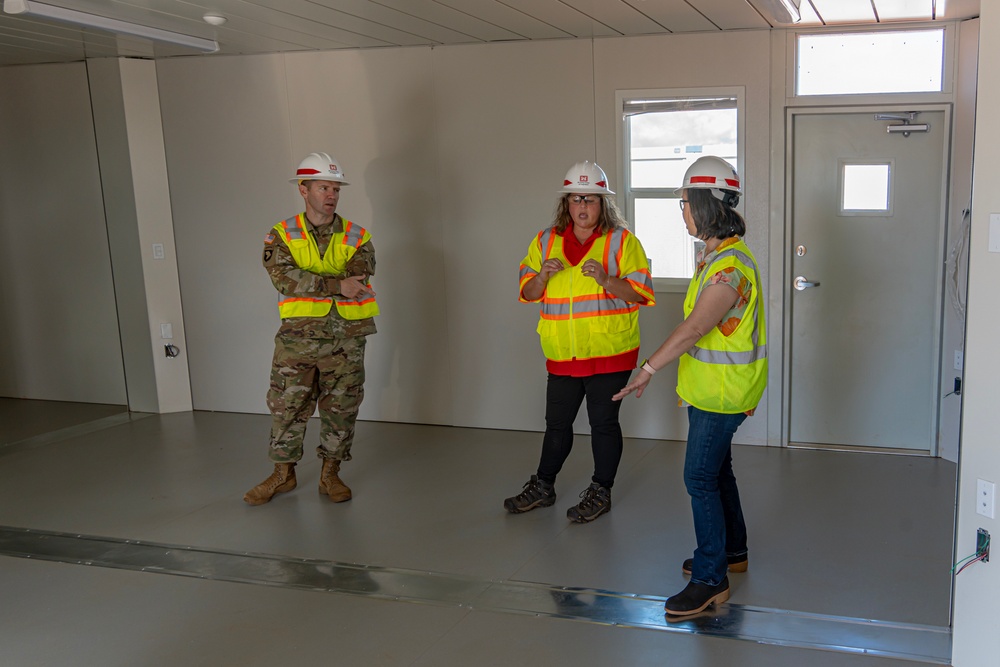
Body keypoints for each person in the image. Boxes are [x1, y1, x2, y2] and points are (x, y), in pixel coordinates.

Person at [612, 155, 766, 617]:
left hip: (724, 393)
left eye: (683, 202)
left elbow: (697, 327)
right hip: (712, 390)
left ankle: (709, 578)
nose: (680, 211)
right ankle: (731, 553)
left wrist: (649, 368)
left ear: (705, 203)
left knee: (698, 477)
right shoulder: (716, 255)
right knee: (718, 472)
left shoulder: (729, 268)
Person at [505, 161, 655, 523]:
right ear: (566, 203)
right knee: (556, 424)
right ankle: (543, 486)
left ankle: (601, 490)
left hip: (609, 352)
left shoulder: (622, 242)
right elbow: (528, 292)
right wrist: (541, 276)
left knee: (603, 424)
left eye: (590, 198)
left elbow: (640, 294)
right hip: (563, 353)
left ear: (603, 203)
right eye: (575, 199)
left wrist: (607, 279)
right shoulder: (545, 241)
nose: (582, 206)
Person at [244, 152, 379, 506]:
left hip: (345, 340)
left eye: (335, 188)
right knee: (287, 406)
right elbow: (286, 280)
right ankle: (282, 474)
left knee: (342, 408)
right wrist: (337, 286)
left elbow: (360, 274)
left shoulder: (356, 235)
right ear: (304, 190)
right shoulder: (281, 234)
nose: (331, 194)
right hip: (297, 341)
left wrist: (321, 282)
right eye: (323, 187)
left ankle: (330, 474)